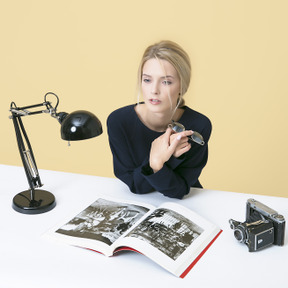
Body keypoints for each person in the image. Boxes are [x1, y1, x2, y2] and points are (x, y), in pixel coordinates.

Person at [107, 40, 212, 199]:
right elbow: (136, 186)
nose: (154, 90)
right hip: (137, 203)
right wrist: (160, 160)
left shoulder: (198, 126)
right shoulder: (119, 122)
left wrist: (158, 163)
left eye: (166, 82)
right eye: (147, 80)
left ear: (181, 87)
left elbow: (179, 191)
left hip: (187, 206)